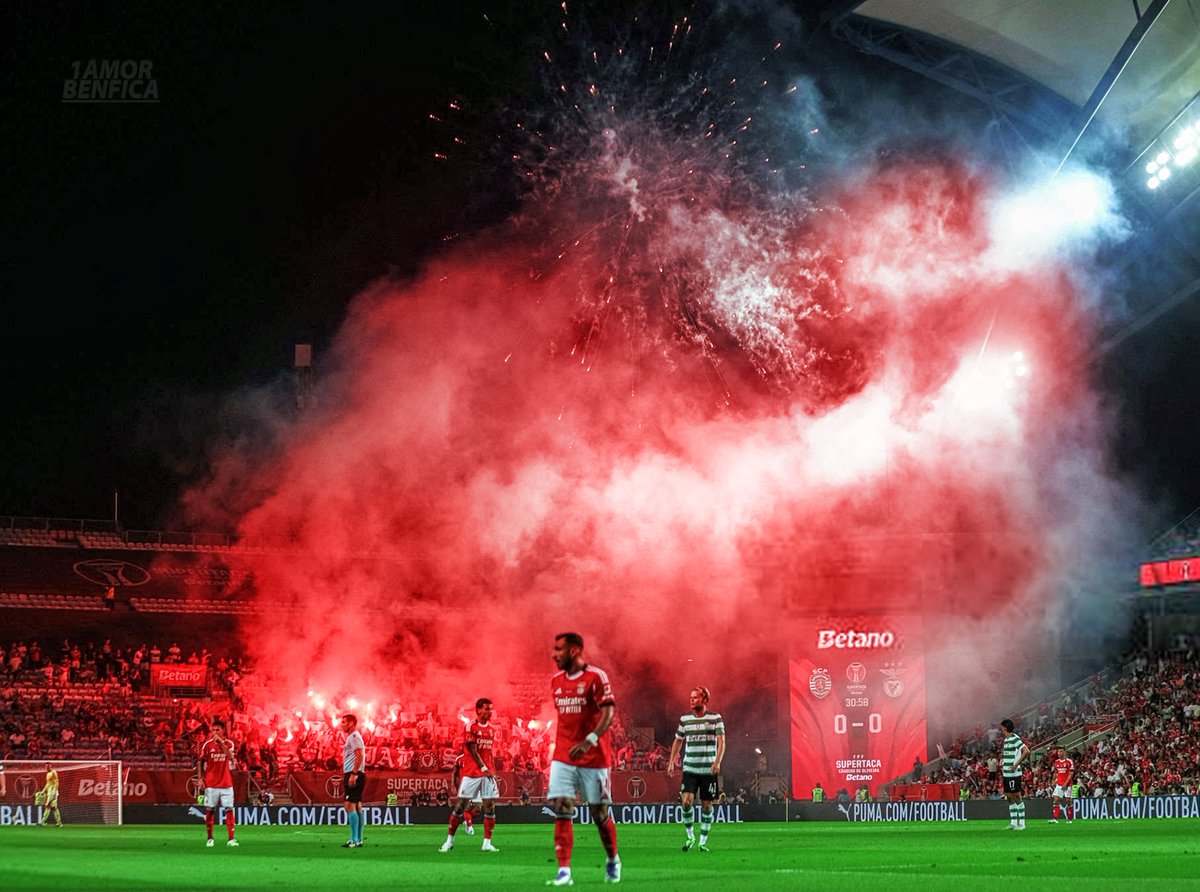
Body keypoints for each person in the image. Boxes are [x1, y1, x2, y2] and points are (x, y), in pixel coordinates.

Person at [546, 632, 621, 886]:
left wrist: (590, 740)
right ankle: (564, 872)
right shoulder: (556, 681)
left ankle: (612, 859)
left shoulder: (596, 677)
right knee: (562, 807)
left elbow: (608, 713)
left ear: (574, 651)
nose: (554, 654)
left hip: (594, 757)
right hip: (563, 756)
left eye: (558, 649)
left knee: (599, 814)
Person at [667, 686, 725, 853]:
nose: (691, 700)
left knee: (707, 806)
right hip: (690, 768)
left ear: (705, 699)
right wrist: (672, 761)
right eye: (691, 697)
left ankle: (703, 842)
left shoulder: (715, 718)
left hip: (708, 769)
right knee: (686, 802)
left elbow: (722, 741)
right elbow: (678, 740)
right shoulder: (685, 719)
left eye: (695, 697)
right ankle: (690, 836)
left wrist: (717, 761)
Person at [440, 698, 500, 853]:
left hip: (487, 773)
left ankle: (487, 843)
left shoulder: (491, 730)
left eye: (491, 709)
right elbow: (473, 751)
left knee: (490, 807)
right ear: (478, 710)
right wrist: (484, 768)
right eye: (487, 709)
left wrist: (492, 771)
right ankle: (449, 841)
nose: (490, 712)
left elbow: (488, 753)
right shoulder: (470, 727)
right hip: (472, 773)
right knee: (460, 807)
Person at [198, 718, 238, 847]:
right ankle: (210, 838)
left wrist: (220, 742)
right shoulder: (207, 745)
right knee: (210, 810)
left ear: (223, 731)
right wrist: (200, 778)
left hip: (226, 783)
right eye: (213, 730)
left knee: (229, 809)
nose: (215, 732)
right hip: (211, 784)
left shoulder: (229, 744)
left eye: (217, 730)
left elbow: (230, 757)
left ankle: (231, 839)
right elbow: (200, 762)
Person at [999, 718, 1030, 830]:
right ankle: (1013, 823)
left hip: (1014, 773)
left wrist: (1016, 765)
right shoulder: (1006, 740)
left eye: (1002, 728)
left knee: (1016, 796)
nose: (1001, 730)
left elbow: (1026, 751)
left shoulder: (1015, 739)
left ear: (1005, 728)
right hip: (1006, 773)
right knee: (1009, 797)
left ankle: (1022, 823)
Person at [341, 713, 366, 848]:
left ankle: (354, 839)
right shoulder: (354, 737)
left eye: (344, 722)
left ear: (351, 723)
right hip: (357, 773)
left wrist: (353, 774)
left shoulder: (354, 737)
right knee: (357, 805)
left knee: (349, 806)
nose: (342, 725)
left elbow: (359, 755)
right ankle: (359, 839)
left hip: (353, 773)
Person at [1048, 746, 1074, 824]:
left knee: (1068, 801)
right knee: (1056, 800)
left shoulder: (1069, 761)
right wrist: (1053, 780)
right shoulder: (1056, 762)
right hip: (1059, 784)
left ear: (1065, 752)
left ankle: (1070, 819)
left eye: (1061, 751)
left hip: (1068, 785)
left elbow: (1071, 774)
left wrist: (1065, 784)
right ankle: (1055, 818)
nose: (1059, 753)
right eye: (1058, 751)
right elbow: (1056, 772)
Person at [37, 762, 62, 827]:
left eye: (48, 766)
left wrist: (55, 792)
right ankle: (59, 823)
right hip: (50, 792)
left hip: (53, 792)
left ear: (51, 766)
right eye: (46, 766)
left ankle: (42, 822)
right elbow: (48, 783)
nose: (47, 768)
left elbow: (57, 782)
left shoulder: (54, 772)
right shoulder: (48, 774)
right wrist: (43, 791)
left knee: (48, 806)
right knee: (53, 807)